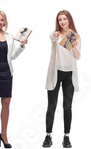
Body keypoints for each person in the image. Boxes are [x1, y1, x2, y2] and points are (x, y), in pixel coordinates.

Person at [0, 10, 27, 148]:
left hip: (6, 72)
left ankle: (4, 133)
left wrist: (21, 45)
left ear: (5, 22)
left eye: (2, 20)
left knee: (6, 103)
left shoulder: (9, 36)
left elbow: (12, 56)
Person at [42, 10, 81, 148]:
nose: (62, 22)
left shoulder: (75, 36)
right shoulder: (56, 34)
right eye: (60, 20)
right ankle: (48, 135)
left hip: (69, 73)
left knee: (67, 106)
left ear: (69, 20)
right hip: (56, 72)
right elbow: (51, 37)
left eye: (64, 19)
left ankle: (66, 136)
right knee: (51, 105)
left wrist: (74, 47)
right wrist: (53, 35)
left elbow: (77, 56)